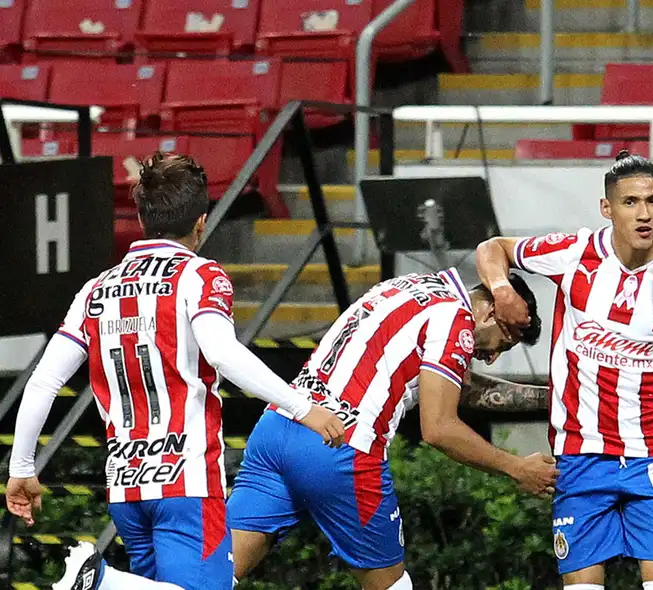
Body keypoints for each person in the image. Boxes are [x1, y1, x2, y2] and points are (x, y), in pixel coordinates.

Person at [5, 153, 345, 590]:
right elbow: (222, 354)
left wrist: (22, 466)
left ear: (143, 219)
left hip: (126, 487)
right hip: (186, 480)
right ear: (201, 222)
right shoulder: (199, 275)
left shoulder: (96, 289)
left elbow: (44, 381)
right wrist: (303, 409)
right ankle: (102, 582)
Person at [226, 269, 558, 590]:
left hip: (278, 428)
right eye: (503, 343)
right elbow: (439, 429)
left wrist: (553, 396)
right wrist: (516, 467)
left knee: (218, 572)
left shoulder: (410, 286)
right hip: (341, 446)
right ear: (488, 311)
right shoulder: (455, 320)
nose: (491, 358)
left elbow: (453, 384)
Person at [475, 151, 653, 590]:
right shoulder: (575, 253)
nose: (644, 214)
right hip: (581, 456)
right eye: (631, 202)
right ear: (607, 208)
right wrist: (502, 288)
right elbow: (492, 249)